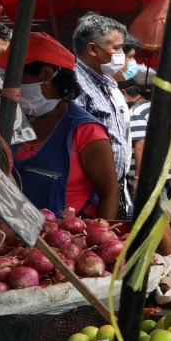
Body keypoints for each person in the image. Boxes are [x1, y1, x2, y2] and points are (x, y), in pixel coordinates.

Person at [0, 33, 119, 219]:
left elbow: (109, 194)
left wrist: (101, 236)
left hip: (67, 241)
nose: (7, 84)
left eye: (15, 76)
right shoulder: (14, 122)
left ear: (46, 75)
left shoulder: (86, 131)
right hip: (15, 239)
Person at [70, 14, 133, 218]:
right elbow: (73, 142)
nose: (121, 54)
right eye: (116, 48)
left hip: (113, 190)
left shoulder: (107, 83)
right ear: (92, 49)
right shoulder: (76, 84)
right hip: (90, 195)